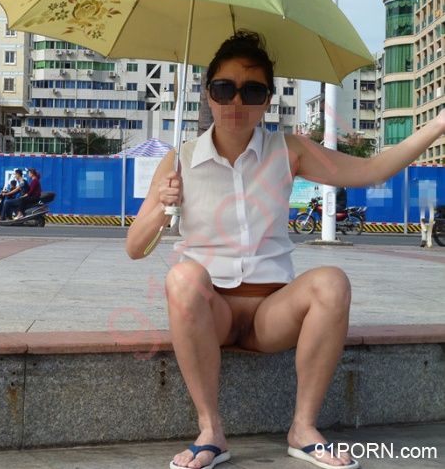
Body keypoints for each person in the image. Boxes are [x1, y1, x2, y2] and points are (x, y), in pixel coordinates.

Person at [126, 31, 445, 469]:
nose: (236, 102)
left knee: (332, 283)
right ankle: (210, 430)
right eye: (224, 88)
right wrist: (163, 206)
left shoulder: (287, 151)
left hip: (271, 314)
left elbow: (371, 170)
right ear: (208, 93)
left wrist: (438, 124)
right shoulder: (179, 160)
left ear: (268, 100)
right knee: (182, 277)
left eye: (252, 91)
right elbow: (135, 247)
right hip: (211, 312)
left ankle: (303, 428)